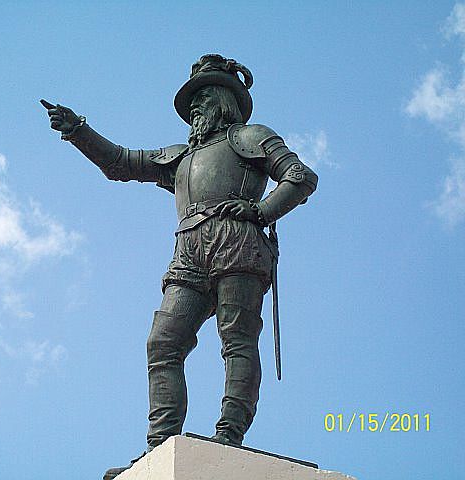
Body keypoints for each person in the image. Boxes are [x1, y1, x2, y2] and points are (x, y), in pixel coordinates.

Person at [41, 53, 318, 479]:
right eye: (192, 101)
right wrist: (79, 131)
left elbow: (299, 176)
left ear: (223, 100)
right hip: (188, 248)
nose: (195, 108)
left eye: (203, 98)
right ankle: (160, 446)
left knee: (237, 339)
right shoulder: (181, 156)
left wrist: (261, 211)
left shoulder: (252, 137)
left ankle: (229, 434)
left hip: (237, 241)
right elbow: (120, 163)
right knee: (163, 343)